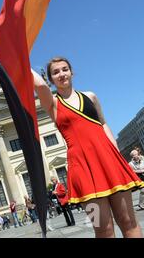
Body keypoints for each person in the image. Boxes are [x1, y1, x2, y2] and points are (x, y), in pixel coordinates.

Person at [32, 57, 144, 238]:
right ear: (51, 79)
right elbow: (38, 85)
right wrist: (13, 55)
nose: (61, 74)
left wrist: (115, 154)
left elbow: (104, 124)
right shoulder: (52, 103)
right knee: (103, 229)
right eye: (56, 72)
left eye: (64, 69)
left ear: (71, 72)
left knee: (129, 221)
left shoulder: (90, 96)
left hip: (109, 162)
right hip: (82, 170)